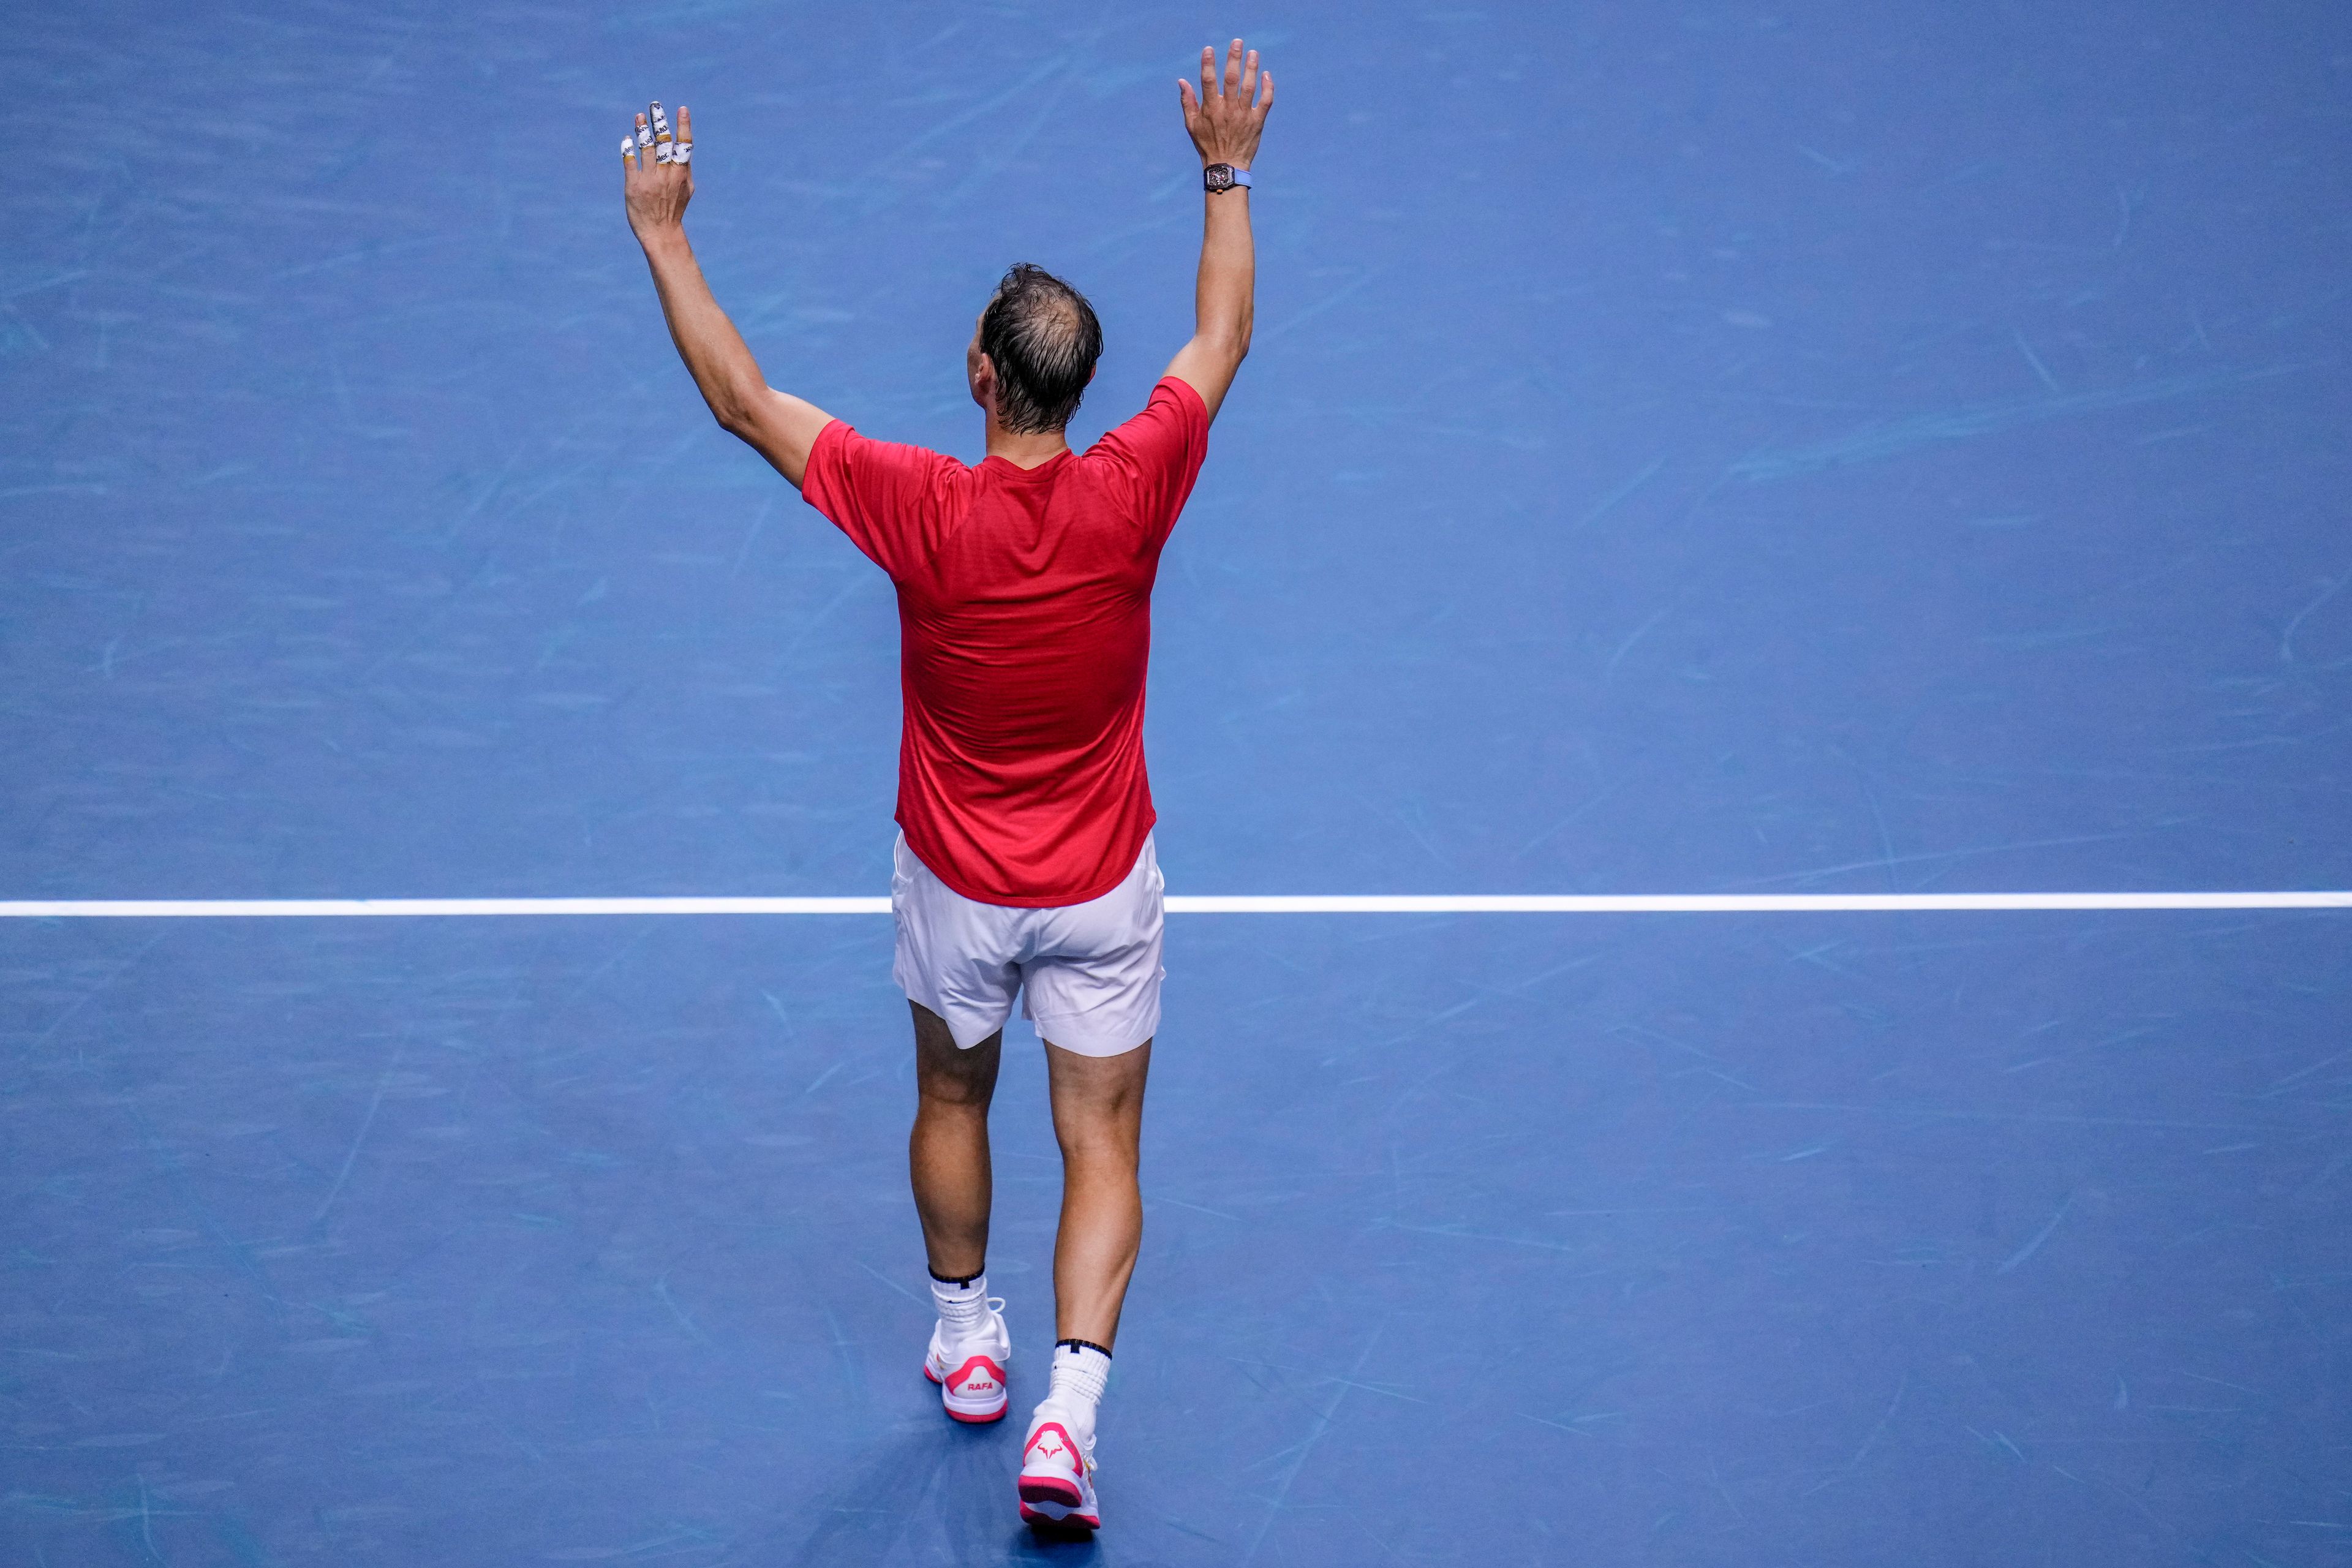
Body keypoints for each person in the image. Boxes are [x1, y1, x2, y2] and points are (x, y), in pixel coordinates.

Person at [621, 39, 1273, 1532]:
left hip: (960, 887)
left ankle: (967, 1340)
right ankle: (1070, 1415)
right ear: (1078, 386)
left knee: (948, 1090)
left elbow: (739, 398)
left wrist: (665, 231)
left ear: (981, 374)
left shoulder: (917, 508)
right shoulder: (1136, 486)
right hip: (1104, 884)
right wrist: (1225, 170)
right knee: (1101, 1138)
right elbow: (1222, 335)